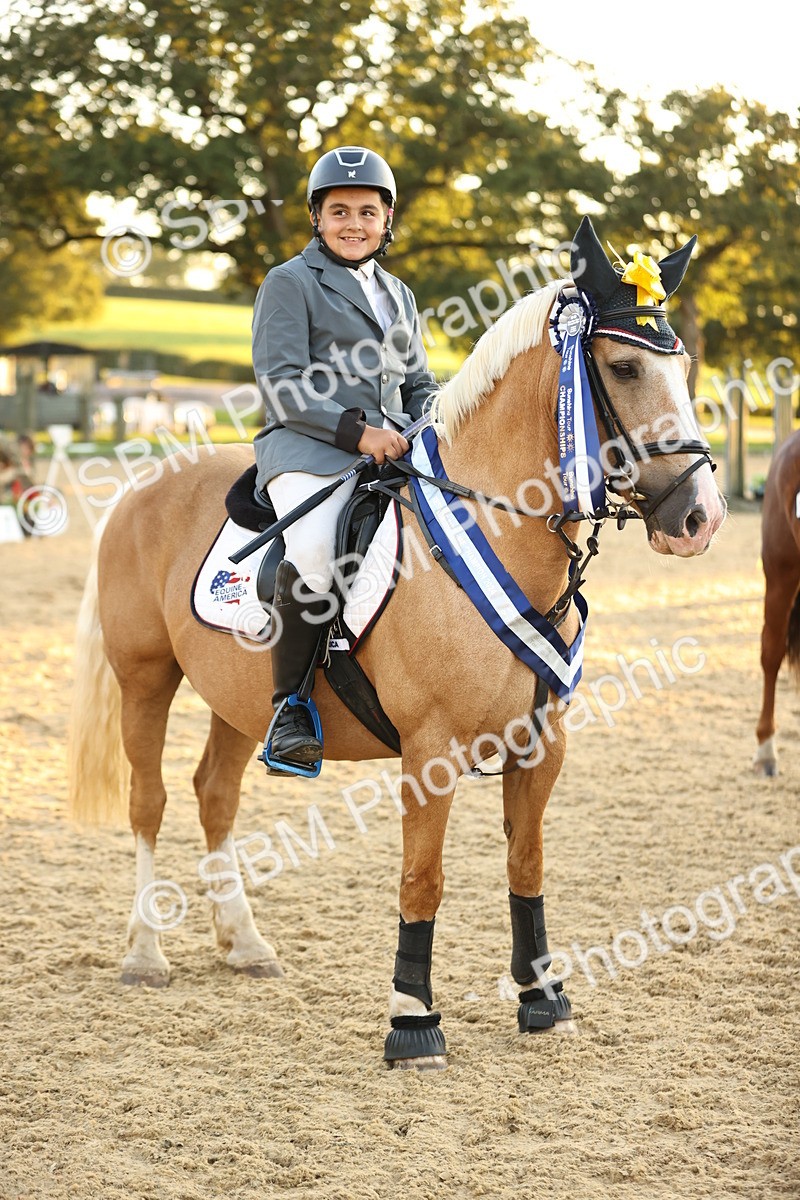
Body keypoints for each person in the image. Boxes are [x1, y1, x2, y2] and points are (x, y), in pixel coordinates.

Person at [252, 146, 437, 768]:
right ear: (316, 218)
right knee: (313, 551)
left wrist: (438, 419)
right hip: (309, 448)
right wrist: (359, 435)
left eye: (366, 211)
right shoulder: (290, 282)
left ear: (387, 220)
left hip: (392, 450)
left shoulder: (399, 294)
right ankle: (291, 708)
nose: (352, 224)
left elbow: (418, 383)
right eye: (339, 212)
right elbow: (281, 383)